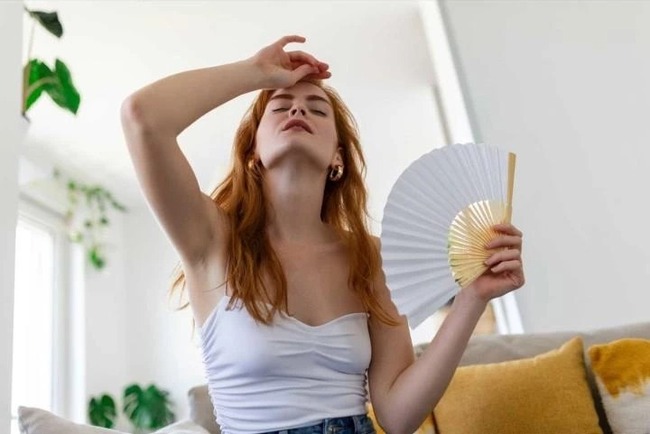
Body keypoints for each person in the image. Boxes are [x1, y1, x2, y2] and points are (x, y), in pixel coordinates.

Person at [120, 35, 525, 434]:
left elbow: (398, 417)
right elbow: (142, 118)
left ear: (337, 158)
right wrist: (256, 73)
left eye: (317, 109)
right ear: (253, 152)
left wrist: (472, 299)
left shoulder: (370, 257)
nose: (298, 109)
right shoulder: (212, 240)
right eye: (281, 105)